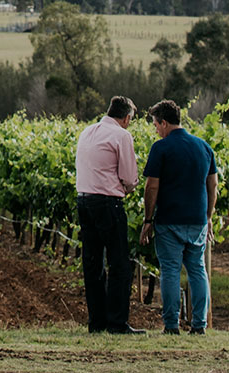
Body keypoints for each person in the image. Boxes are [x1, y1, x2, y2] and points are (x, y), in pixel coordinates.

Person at [137, 100, 219, 335]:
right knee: (197, 270)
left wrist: (148, 219)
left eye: (155, 124)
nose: (156, 130)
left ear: (164, 122)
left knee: (171, 270)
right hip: (197, 220)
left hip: (169, 220)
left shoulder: (161, 148)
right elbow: (212, 184)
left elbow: (151, 187)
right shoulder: (204, 147)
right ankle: (199, 325)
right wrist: (209, 216)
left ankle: (171, 325)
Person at [74, 96, 143, 334]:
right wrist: (128, 187)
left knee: (93, 264)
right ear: (126, 118)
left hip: (83, 200)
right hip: (107, 203)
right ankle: (117, 323)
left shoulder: (87, 132)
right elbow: (129, 178)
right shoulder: (122, 136)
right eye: (130, 120)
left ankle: (97, 322)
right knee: (119, 263)